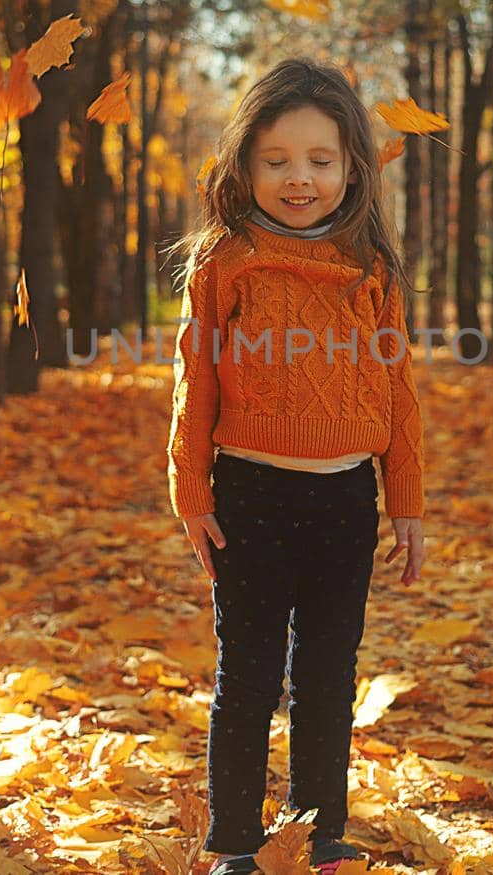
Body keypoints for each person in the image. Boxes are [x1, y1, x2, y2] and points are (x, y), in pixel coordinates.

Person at [164, 57, 427, 875]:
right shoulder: (227, 260)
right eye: (276, 160)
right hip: (249, 495)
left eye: (320, 160)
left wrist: (405, 501)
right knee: (246, 673)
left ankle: (317, 832)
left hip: (345, 501)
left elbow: (399, 391)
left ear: (352, 165)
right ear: (244, 165)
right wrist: (191, 486)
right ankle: (235, 842)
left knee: (326, 674)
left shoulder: (371, 270)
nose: (299, 179)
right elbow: (195, 378)